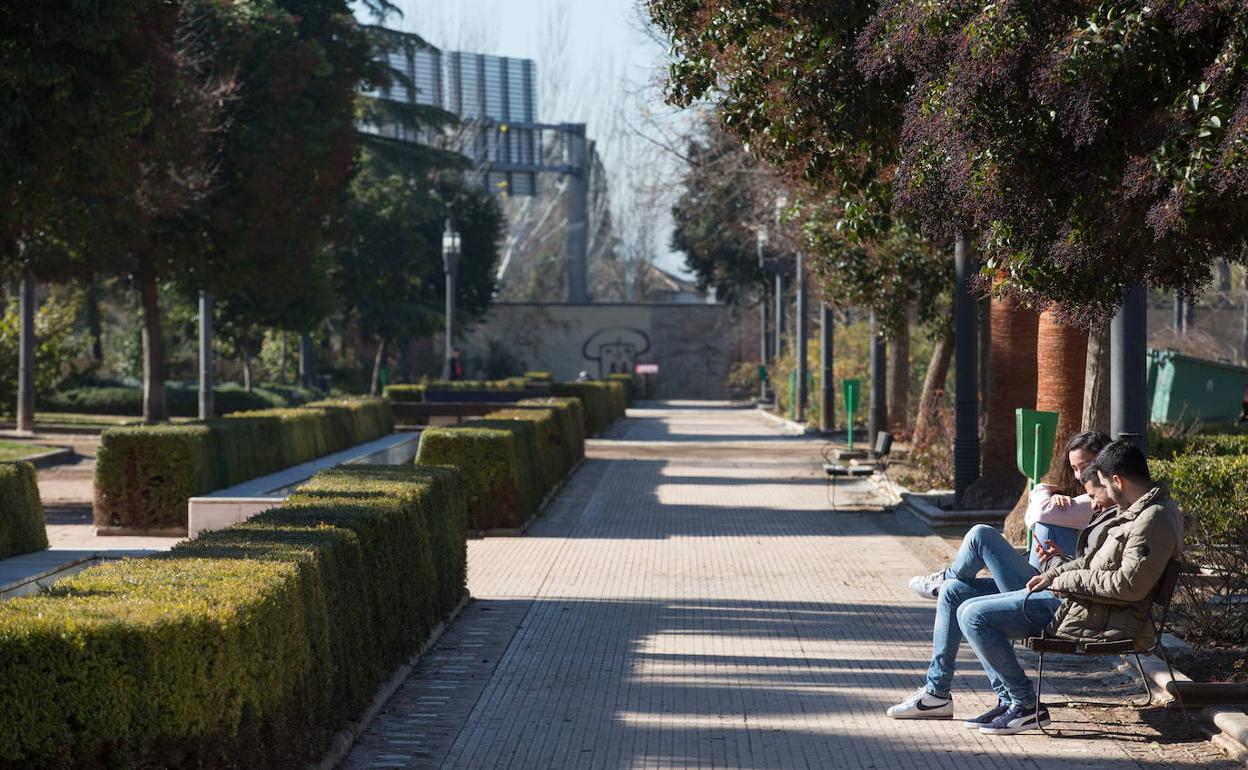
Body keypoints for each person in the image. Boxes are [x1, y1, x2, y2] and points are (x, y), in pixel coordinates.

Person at [953, 440, 1184, 735]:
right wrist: (1052, 575)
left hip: (1099, 617)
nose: (1101, 494)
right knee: (964, 606)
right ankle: (1012, 701)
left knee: (974, 616)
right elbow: (1090, 562)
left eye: (1103, 484)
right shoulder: (1136, 511)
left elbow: (1128, 586)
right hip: (1084, 605)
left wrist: (1063, 581)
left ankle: (1024, 703)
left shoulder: (1153, 518)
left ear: (1117, 481)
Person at [888, 431, 1114, 726]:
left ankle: (1015, 698)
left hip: (1054, 596)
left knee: (981, 536)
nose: (1078, 475)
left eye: (1084, 466)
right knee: (954, 592)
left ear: (1105, 464)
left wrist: (1043, 490)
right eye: (1073, 468)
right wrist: (1058, 557)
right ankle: (938, 693)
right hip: (1045, 581)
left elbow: (1037, 513)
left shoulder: (1101, 501)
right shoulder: (1087, 499)